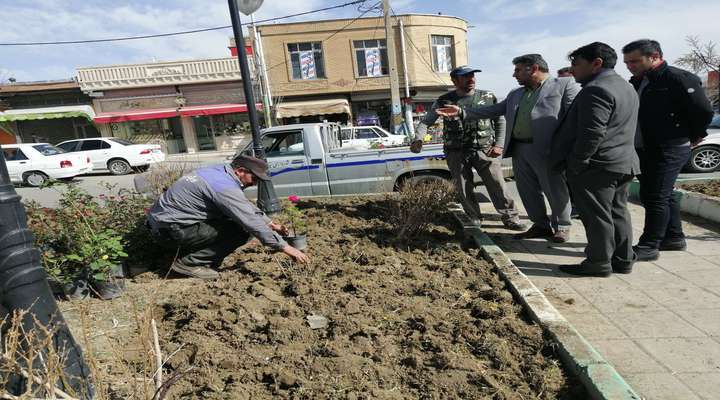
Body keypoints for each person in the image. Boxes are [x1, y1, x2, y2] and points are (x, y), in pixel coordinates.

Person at [436, 54, 580, 243]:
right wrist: (463, 112)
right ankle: (541, 225)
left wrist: (568, 148)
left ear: (533, 68)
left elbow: (576, 118)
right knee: (528, 191)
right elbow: (493, 111)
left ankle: (562, 226)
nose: (514, 75)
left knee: (554, 189)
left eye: (518, 70)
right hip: (520, 149)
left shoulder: (564, 85)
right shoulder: (516, 93)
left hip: (548, 149)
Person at [550, 42, 640, 277]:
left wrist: (577, 163)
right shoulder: (625, 86)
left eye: (577, 64)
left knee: (598, 216)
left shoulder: (596, 89)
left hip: (598, 166)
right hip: (623, 162)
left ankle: (598, 263)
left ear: (596, 63)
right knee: (618, 212)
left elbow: (592, 133)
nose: (572, 70)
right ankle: (623, 260)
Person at [622, 39, 715, 261]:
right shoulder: (639, 81)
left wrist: (692, 134)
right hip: (646, 146)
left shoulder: (677, 77)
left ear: (654, 56)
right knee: (660, 194)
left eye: (634, 61)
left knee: (655, 197)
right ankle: (673, 237)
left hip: (669, 146)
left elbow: (702, 110)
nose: (629, 66)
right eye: (627, 62)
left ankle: (649, 245)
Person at [146, 155, 309, 279]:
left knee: (233, 220)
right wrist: (286, 248)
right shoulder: (224, 187)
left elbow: (242, 204)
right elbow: (250, 221)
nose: (255, 183)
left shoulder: (218, 173)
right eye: (255, 178)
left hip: (165, 226)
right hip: (170, 232)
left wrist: (271, 223)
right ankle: (189, 264)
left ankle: (195, 257)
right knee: (242, 230)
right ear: (240, 171)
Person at [410, 65, 524, 230]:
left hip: (485, 150)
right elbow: (426, 121)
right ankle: (474, 217)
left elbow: (500, 121)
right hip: (456, 152)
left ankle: (510, 217)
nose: (471, 79)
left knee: (497, 184)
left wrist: (499, 144)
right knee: (463, 187)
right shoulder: (444, 101)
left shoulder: (487, 96)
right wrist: (418, 139)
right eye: (466, 77)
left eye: (472, 76)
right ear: (455, 81)